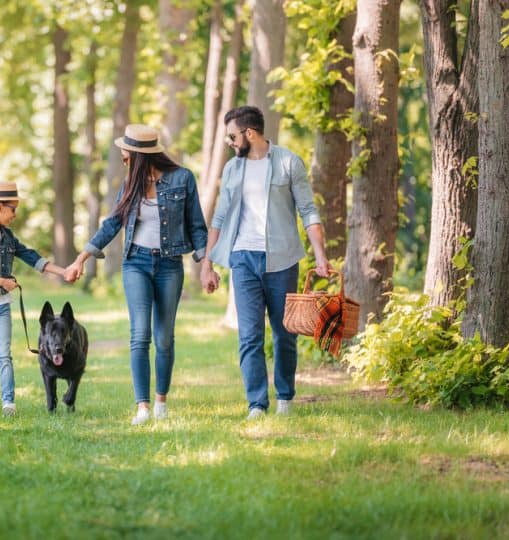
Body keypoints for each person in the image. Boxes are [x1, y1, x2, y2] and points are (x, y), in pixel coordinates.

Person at [65, 124, 208, 425]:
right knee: (140, 335)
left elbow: (196, 226)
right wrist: (82, 257)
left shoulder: (182, 179)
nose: (123, 159)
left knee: (164, 339)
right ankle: (142, 407)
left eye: (126, 155)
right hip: (136, 264)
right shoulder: (130, 184)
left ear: (140, 156)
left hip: (170, 265)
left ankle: (161, 403)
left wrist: (206, 264)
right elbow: (112, 224)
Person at [199, 106, 331, 420]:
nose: (230, 142)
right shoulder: (232, 169)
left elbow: (309, 212)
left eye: (233, 136)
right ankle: (257, 403)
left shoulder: (288, 162)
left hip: (282, 260)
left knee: (285, 333)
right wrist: (208, 263)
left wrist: (321, 256)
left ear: (250, 133)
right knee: (249, 335)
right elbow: (219, 218)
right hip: (242, 259)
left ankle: (285, 397)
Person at [0, 181, 69, 416]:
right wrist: (2, 282)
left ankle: (8, 403)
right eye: (13, 209)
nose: (14, 215)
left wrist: (63, 272)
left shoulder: (9, 237)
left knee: (4, 355)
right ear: (0, 207)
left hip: (1, 305)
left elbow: (32, 257)